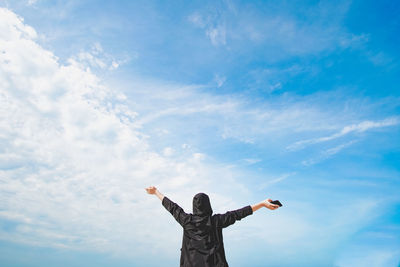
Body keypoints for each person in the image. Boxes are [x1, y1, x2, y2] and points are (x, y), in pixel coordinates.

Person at [145, 186, 280, 267]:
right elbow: (239, 214)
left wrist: (156, 191)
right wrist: (262, 204)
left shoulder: (187, 221)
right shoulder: (216, 221)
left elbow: (172, 207)